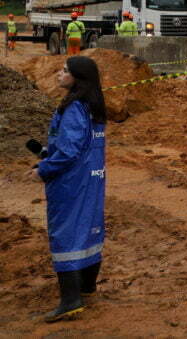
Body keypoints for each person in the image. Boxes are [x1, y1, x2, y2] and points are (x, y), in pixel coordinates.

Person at [28, 56, 107, 322]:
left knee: (66, 233)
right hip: (92, 177)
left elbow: (70, 150)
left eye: (65, 71)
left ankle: (71, 300)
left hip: (71, 181)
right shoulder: (93, 105)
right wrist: (49, 153)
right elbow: (80, 144)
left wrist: (44, 170)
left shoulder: (74, 107)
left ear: (77, 78)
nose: (59, 74)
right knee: (89, 227)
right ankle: (86, 286)